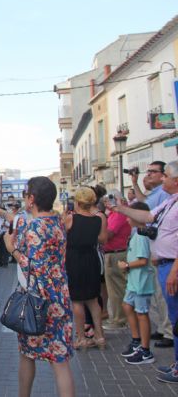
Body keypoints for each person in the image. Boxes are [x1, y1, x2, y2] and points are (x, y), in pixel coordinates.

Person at [0, 177, 75, 397]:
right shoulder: (58, 222)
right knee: (60, 362)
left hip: (36, 300)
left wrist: (11, 249)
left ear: (31, 199)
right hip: (60, 296)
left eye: (25, 194)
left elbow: (32, 267)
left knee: (26, 354)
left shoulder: (31, 227)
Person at [108, 160, 178, 383]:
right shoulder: (170, 202)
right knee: (174, 318)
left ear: (175, 180)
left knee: (175, 319)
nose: (162, 180)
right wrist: (119, 208)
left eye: (164, 175)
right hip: (165, 264)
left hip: (172, 267)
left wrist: (174, 270)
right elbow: (148, 217)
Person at [131, 161, 173, 348]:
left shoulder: (164, 194)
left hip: (163, 253)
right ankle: (164, 328)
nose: (147, 175)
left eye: (152, 172)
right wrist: (135, 183)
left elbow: (146, 214)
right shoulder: (156, 194)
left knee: (165, 296)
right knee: (158, 293)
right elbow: (143, 205)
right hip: (154, 249)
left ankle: (170, 332)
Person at [64, 186, 107, 350]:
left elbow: (62, 236)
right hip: (92, 259)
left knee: (77, 301)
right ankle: (100, 336)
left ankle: (81, 337)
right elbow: (103, 239)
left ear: (78, 202)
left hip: (74, 260)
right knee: (93, 299)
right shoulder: (99, 218)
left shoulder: (71, 218)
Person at [117, 202, 156, 365]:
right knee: (127, 305)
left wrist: (126, 265)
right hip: (134, 281)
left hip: (141, 281)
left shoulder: (141, 236)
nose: (127, 220)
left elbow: (143, 260)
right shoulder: (135, 233)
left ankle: (146, 351)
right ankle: (136, 340)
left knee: (142, 313)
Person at [103, 190, 132, 330]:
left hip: (116, 254)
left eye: (109, 199)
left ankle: (119, 318)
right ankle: (117, 316)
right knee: (114, 288)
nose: (106, 203)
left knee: (117, 289)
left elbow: (108, 234)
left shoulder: (119, 214)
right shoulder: (113, 214)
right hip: (112, 253)